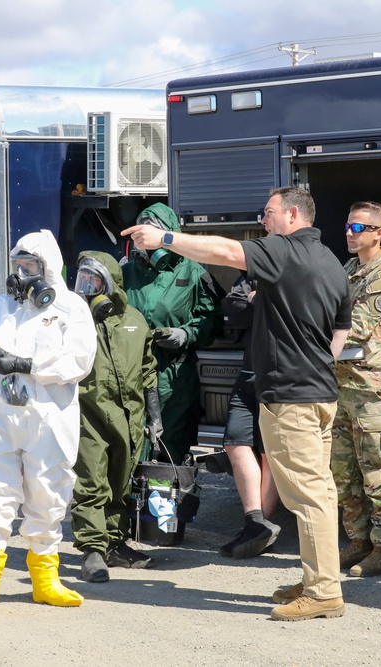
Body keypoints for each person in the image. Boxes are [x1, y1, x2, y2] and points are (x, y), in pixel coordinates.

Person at [122, 188, 351, 622]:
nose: (264, 221)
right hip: (319, 393)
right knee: (318, 491)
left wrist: (165, 238)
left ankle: (323, 592)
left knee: (308, 497)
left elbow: (225, 251)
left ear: (293, 214)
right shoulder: (331, 262)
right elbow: (341, 332)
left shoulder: (284, 251)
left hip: (290, 397)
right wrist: (315, 366)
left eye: (268, 213)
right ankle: (317, 579)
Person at [0, 229, 97, 619]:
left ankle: (45, 581)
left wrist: (24, 365)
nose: (21, 273)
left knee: (49, 493)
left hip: (50, 418)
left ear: (48, 270)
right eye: (17, 265)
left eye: (30, 266)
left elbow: (79, 364)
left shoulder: (70, 309)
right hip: (1, 416)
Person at [70, 251, 160, 583]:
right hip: (88, 413)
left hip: (130, 418)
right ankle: (93, 550)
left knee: (121, 482)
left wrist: (154, 416)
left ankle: (115, 543)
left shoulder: (135, 320)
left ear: (112, 283)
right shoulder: (74, 320)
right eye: (82, 280)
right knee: (93, 480)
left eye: (94, 280)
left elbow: (149, 370)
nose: (87, 288)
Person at [332, 201, 381, 578]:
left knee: (379, 471)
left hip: (371, 388)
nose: (350, 232)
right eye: (349, 226)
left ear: (379, 233)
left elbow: (355, 327)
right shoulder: (350, 269)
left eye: (359, 228)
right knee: (344, 472)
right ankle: (358, 541)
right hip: (343, 387)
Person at [121, 202, 223, 468]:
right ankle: (133, 505)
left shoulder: (193, 271)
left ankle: (170, 506)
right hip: (130, 374)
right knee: (129, 445)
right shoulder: (124, 273)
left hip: (173, 378)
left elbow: (212, 321)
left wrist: (185, 334)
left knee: (170, 448)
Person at [217, 274, 282, 559]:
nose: (265, 225)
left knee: (270, 452)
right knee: (235, 441)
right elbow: (232, 307)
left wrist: (258, 299)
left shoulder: (298, 265)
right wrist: (258, 301)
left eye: (268, 224)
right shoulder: (254, 272)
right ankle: (256, 523)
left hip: (280, 375)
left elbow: (292, 309)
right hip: (248, 373)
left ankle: (261, 528)